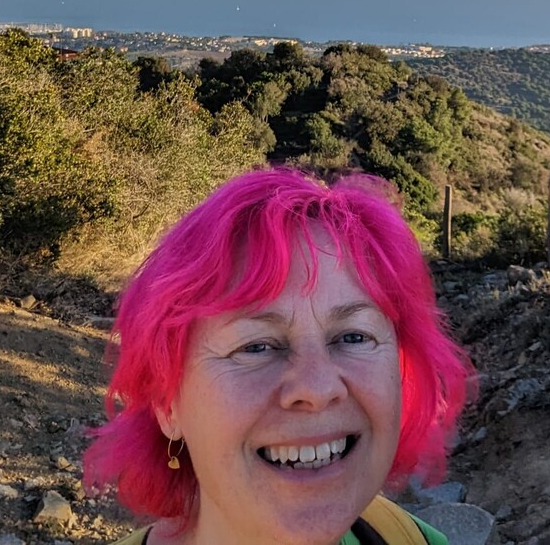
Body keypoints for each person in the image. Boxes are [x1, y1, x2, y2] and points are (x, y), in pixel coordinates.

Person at [84, 167, 473, 545]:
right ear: (167, 404)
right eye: (256, 346)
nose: (318, 388)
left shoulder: (408, 538)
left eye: (353, 337)